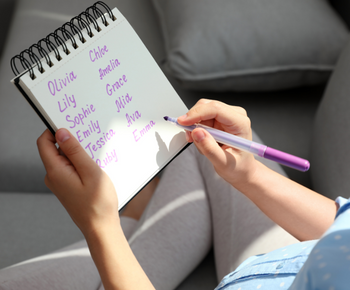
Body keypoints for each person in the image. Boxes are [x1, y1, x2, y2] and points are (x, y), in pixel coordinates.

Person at [0, 99, 344, 289]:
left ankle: (131, 221)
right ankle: (135, 219)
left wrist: (99, 227)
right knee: (203, 144)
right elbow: (343, 230)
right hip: (289, 264)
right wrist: (250, 173)